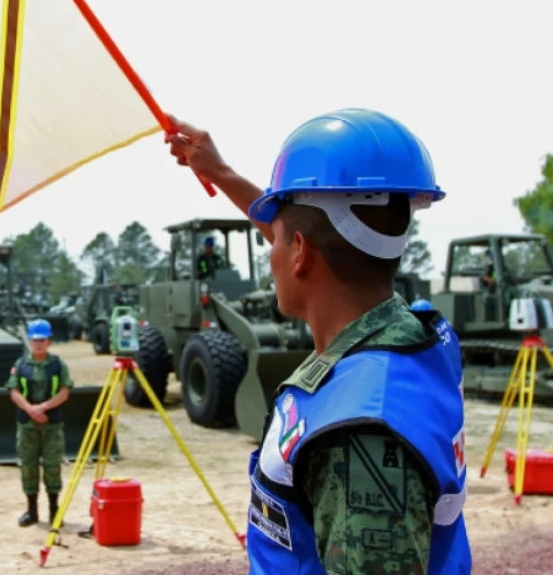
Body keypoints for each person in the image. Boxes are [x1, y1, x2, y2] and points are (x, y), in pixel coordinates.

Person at [166, 108, 470, 573]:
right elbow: (324, 238)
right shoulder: (420, 339)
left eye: (276, 242)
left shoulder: (358, 430)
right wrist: (220, 174)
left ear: (301, 253)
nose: (271, 254)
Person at [6, 318, 73, 527]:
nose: (38, 344)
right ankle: (31, 510)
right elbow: (14, 391)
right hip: (27, 425)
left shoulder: (58, 365)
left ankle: (54, 511)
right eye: (34, 340)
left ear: (49, 341)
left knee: (53, 466)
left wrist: (43, 408)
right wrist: (31, 410)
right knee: (28, 466)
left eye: (42, 340)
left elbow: (64, 392)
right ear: (29, 341)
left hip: (52, 425)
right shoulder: (20, 364)